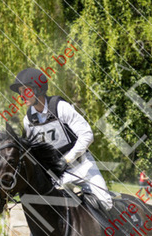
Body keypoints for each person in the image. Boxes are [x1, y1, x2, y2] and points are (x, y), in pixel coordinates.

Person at [10, 67, 113, 211]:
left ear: (38, 89)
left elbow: (87, 135)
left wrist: (67, 160)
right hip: (56, 174)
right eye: (20, 92)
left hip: (82, 166)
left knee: (106, 203)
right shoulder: (28, 120)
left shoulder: (60, 107)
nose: (22, 97)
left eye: (25, 91)